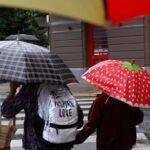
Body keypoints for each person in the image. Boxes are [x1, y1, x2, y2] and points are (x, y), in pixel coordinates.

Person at [1, 82, 83, 150]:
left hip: (36, 144)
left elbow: (7, 112)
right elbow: (79, 120)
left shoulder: (30, 88)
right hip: (62, 144)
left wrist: (12, 92)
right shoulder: (62, 86)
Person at [75, 92, 144, 150]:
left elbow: (92, 124)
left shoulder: (101, 100)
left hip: (106, 142)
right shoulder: (129, 100)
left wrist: (78, 138)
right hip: (126, 142)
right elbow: (138, 119)